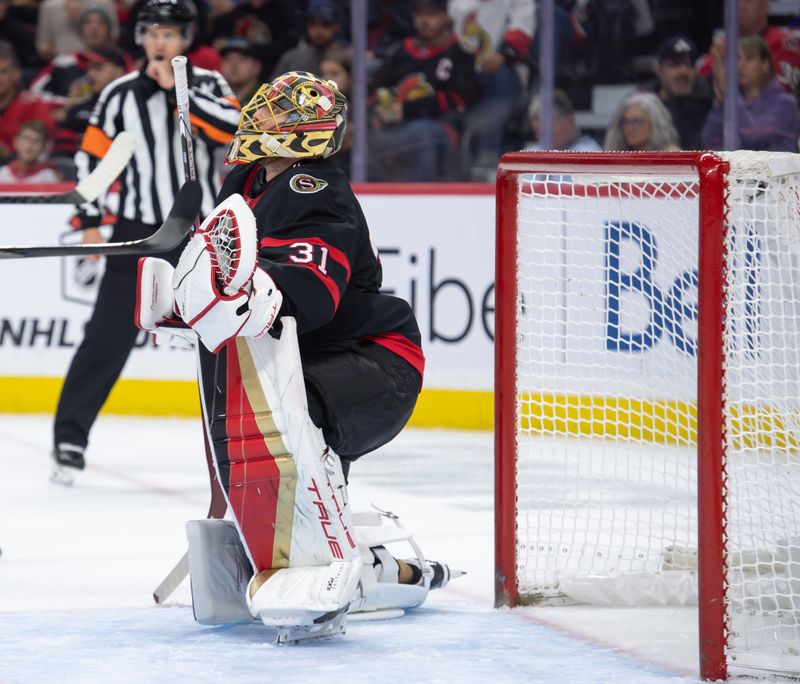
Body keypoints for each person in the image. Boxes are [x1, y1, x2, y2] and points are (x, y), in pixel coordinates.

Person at [161, 70, 438, 627]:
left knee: (289, 417)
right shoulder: (244, 181)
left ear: (301, 127)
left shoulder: (315, 186)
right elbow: (222, 268)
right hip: (307, 358)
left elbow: (311, 292)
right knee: (240, 419)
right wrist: (181, 295)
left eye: (272, 110)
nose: (256, 115)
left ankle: (329, 556)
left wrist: (256, 285)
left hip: (377, 359)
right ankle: (280, 547)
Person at [50, 0, 241, 481]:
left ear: (186, 40)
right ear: (140, 38)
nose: (160, 42)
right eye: (153, 32)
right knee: (107, 338)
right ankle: (70, 438)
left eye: (170, 34)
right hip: (137, 234)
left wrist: (182, 98)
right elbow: (90, 160)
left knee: (219, 339)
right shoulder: (118, 95)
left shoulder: (210, 86)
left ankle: (234, 447)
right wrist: (91, 219)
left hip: (200, 233)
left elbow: (237, 133)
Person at [369, 0, 477, 182]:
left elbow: (458, 100)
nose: (424, 20)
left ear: (445, 17)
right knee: (361, 134)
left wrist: (406, 110)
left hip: (442, 128)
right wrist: (379, 110)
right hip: (396, 128)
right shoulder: (400, 50)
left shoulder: (459, 51)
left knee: (421, 132)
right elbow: (375, 92)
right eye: (419, 14)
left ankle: (422, 197)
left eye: (431, 14)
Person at [702, 34, 800, 152]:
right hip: (739, 169)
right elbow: (710, 142)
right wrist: (720, 101)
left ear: (765, 64)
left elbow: (753, 135)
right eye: (737, 59)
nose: (741, 65)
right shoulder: (734, 99)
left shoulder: (785, 103)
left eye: (749, 58)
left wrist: (730, 94)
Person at [698, 0, 800, 96]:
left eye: (748, 1)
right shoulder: (720, 48)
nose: (740, 7)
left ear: (765, 6)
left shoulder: (783, 44)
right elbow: (699, 92)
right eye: (734, 2)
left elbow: (775, 97)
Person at [645, 35, 712, 151]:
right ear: (658, 69)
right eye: (674, 65)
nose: (683, 71)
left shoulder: (708, 103)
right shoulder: (644, 107)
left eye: (689, 64)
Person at [0, 41, 56, 163]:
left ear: (16, 73)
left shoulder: (34, 106)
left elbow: (40, 156)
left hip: (23, 176)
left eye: (2, 72)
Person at [270, 0, 344, 79]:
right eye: (313, 23)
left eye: (325, 24)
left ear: (337, 27)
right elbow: (272, 89)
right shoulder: (292, 58)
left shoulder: (349, 58)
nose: (318, 30)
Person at [523, 89, 601, 151]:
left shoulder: (590, 155)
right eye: (538, 131)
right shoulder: (530, 153)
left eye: (547, 127)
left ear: (569, 122)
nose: (542, 136)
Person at [603, 91, 680, 152]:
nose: (629, 127)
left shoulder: (672, 155)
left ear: (655, 124)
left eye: (637, 121)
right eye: (625, 121)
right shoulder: (617, 155)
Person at [219, 36, 264, 107]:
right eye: (227, 59)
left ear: (256, 67)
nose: (233, 64)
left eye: (242, 59)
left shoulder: (265, 102)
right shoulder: (213, 97)